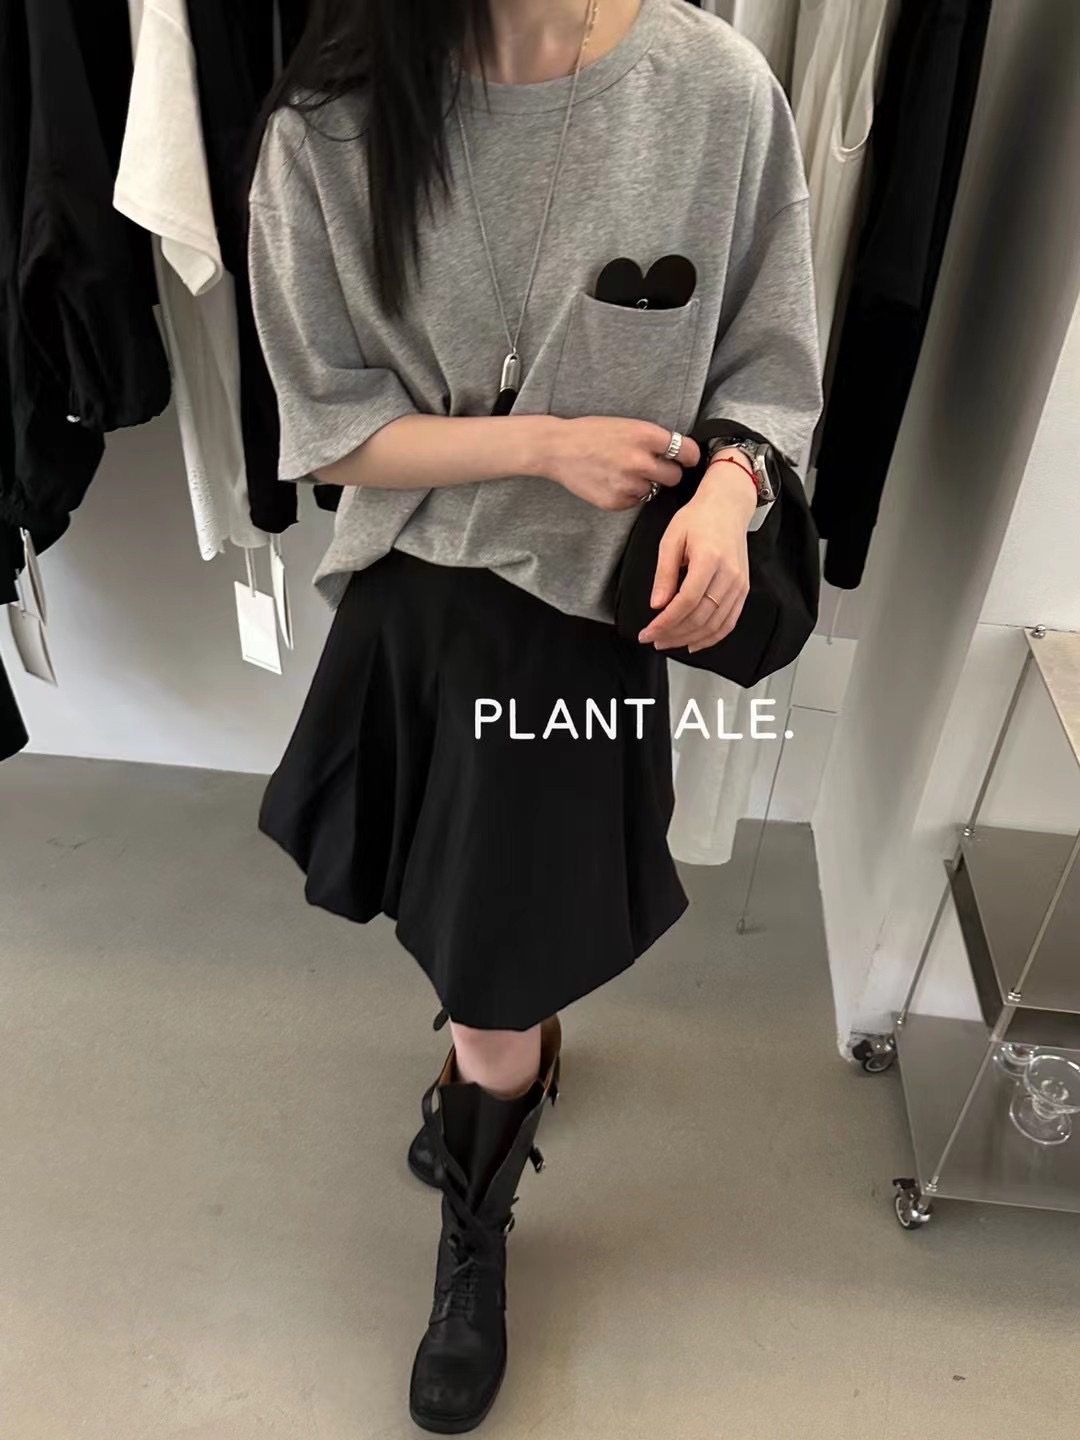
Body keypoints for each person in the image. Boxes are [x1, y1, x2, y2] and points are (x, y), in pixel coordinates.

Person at [248, 0, 821, 1429]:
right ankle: (496, 1085)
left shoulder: (715, 92)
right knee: (468, 927)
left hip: (589, 621)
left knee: (496, 967)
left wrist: (731, 491)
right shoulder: (331, 122)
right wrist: (547, 443)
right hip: (418, 602)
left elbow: (770, 365)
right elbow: (328, 429)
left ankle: (475, 1227)